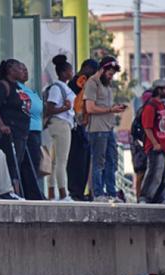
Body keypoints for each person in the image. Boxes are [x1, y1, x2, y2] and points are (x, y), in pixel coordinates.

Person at [84, 56, 126, 202]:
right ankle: (98, 193)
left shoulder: (106, 84)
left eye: (113, 74)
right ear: (102, 69)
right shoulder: (92, 83)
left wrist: (114, 109)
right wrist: (110, 109)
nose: (111, 76)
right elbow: (89, 108)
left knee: (111, 161)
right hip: (97, 129)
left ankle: (111, 193)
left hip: (109, 127)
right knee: (98, 162)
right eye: (109, 73)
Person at [0, 59, 31, 196]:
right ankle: (10, 190)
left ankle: (16, 192)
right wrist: (1, 125)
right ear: (11, 70)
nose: (22, 70)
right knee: (11, 163)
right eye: (19, 68)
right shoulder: (3, 86)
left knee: (17, 162)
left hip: (21, 132)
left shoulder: (17, 87)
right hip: (9, 131)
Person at [67, 59, 99, 201]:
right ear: (86, 68)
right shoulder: (76, 83)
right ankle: (75, 192)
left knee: (84, 160)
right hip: (76, 126)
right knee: (77, 160)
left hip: (84, 125)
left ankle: (80, 191)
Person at [45, 55, 76, 201]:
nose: (72, 73)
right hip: (61, 124)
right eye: (70, 70)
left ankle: (52, 192)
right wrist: (64, 108)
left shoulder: (62, 87)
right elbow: (50, 108)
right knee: (61, 161)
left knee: (55, 161)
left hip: (60, 124)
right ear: (64, 72)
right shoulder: (57, 88)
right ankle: (63, 193)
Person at [139, 80, 165, 204]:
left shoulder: (163, 106)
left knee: (164, 176)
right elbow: (147, 127)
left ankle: (161, 198)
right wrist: (154, 143)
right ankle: (145, 198)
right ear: (158, 90)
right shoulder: (150, 106)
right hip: (156, 146)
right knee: (154, 174)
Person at [18, 63, 43, 178]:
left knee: (36, 160)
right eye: (22, 70)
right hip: (28, 129)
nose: (26, 72)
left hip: (36, 129)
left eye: (26, 69)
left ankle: (34, 189)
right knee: (30, 161)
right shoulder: (16, 88)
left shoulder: (28, 88)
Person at [130, 89, 152, 200]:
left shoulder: (141, 112)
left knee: (142, 173)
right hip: (141, 148)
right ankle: (141, 197)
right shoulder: (143, 112)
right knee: (142, 173)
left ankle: (141, 197)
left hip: (141, 147)